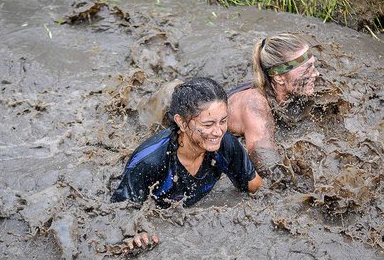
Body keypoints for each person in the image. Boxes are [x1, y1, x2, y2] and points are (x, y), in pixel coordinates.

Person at [111, 77, 264, 251]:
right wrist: (134, 235)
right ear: (182, 122)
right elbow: (118, 214)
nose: (218, 132)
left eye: (223, 121)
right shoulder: (149, 161)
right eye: (208, 124)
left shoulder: (225, 144)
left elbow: (258, 188)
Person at [227, 33, 319, 176]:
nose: (315, 74)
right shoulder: (255, 108)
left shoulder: (288, 88)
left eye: (313, 66)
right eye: (306, 70)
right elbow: (269, 169)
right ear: (279, 77)